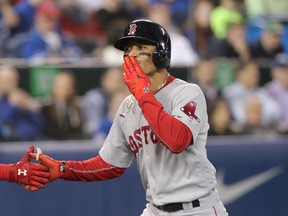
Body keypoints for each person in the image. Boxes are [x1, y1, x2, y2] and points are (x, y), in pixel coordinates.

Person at [30, 19, 228, 216]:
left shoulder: (186, 92)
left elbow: (178, 141)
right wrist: (64, 168)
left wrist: (143, 94)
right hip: (154, 209)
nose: (131, 55)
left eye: (140, 47)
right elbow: (110, 164)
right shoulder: (128, 105)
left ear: (161, 53)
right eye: (127, 50)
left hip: (197, 208)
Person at [40, 70, 85, 140]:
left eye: (69, 84)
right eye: (62, 84)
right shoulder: (46, 110)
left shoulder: (76, 110)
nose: (66, 87)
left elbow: (78, 131)